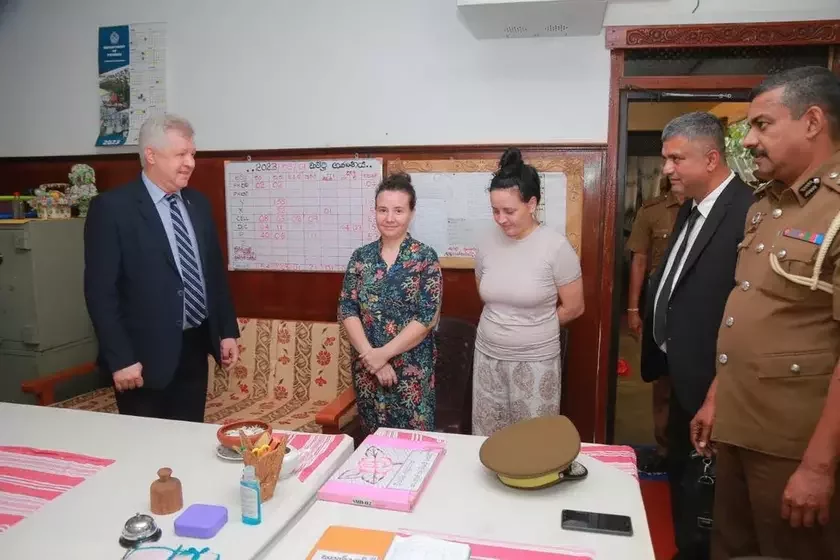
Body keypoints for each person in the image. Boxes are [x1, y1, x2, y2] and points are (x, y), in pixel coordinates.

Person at [690, 66, 840, 560]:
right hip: (738, 427)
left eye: (762, 125)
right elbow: (751, 312)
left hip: (794, 444)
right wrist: (717, 397)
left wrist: (819, 465)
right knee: (730, 547)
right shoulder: (765, 206)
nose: (750, 139)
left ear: (812, 122)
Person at [640, 111, 754, 560]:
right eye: (666, 158)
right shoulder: (692, 206)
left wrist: (717, 389)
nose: (667, 169)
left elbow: (746, 311)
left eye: (676, 159)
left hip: (717, 382)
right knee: (684, 480)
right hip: (682, 372)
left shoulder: (746, 211)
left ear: (710, 159)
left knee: (712, 494)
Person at [84, 114, 240, 422]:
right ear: (151, 155)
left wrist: (226, 332)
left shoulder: (198, 203)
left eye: (192, 154)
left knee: (188, 438)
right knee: (147, 445)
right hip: (142, 359)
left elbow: (213, 274)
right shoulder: (113, 209)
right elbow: (101, 293)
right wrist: (121, 359)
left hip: (194, 348)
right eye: (181, 154)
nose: (190, 163)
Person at [472, 147, 584, 437]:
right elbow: (485, 290)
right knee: (489, 437)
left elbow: (574, 307)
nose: (501, 219)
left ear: (532, 204)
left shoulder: (555, 247)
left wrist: (534, 327)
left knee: (532, 441)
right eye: (495, 211)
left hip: (536, 361)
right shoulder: (486, 242)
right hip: (488, 357)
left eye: (509, 211)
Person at [337, 172, 442, 435]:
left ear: (411, 213)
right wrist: (373, 358)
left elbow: (426, 317)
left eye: (398, 210)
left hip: (411, 371)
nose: (389, 218)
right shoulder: (361, 257)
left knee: (413, 444)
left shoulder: (425, 258)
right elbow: (347, 308)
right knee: (373, 444)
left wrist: (383, 354)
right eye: (382, 210)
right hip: (368, 370)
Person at [627, 173, 685, 473]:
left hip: (700, 307)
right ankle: (664, 449)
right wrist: (633, 308)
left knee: (695, 382)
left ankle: (696, 451)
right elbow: (639, 259)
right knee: (661, 382)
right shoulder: (653, 211)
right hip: (661, 304)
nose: (673, 170)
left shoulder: (721, 208)